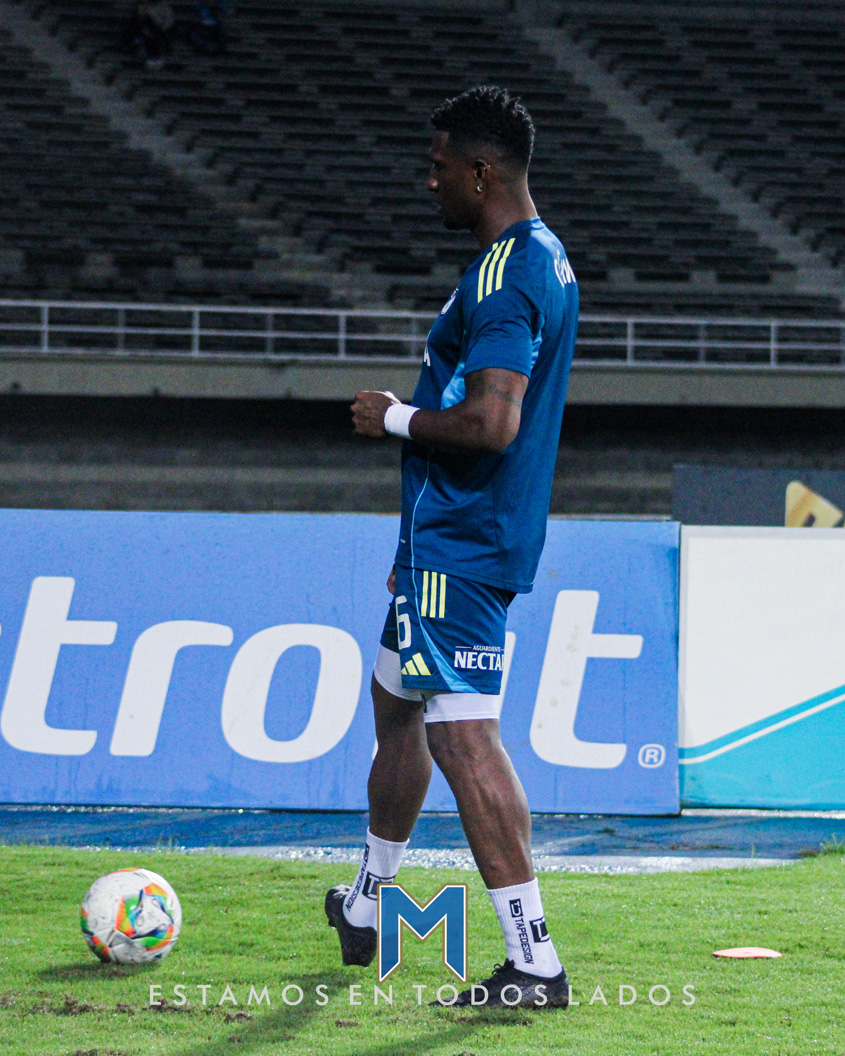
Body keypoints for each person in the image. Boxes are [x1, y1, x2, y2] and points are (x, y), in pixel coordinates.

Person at [326, 85, 579, 1009]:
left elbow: (490, 422)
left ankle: (533, 960)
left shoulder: (504, 278)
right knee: (396, 700)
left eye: (438, 167)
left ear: (481, 172)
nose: (427, 181)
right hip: (447, 536)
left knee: (463, 737)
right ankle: (366, 903)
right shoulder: (540, 254)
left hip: (461, 542)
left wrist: (392, 416)